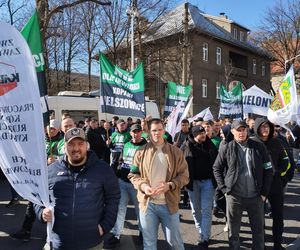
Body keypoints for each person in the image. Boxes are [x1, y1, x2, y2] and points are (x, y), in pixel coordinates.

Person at [34, 128, 120, 249]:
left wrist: (105, 226)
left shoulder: (103, 169)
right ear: (64, 147)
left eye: (80, 144)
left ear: (87, 145)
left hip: (91, 243)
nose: (76, 148)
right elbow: (38, 196)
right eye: (71, 144)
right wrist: (41, 212)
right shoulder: (52, 170)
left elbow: (113, 197)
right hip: (58, 242)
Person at [11, 118, 76, 242]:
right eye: (49, 128)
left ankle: (53, 234)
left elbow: (70, 158)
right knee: (33, 202)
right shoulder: (43, 140)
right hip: (42, 177)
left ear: (58, 129)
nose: (50, 130)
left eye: (53, 128)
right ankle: (26, 230)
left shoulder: (65, 142)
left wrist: (55, 160)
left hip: (59, 179)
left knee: (55, 206)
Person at [128, 118, 189, 250]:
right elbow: (133, 174)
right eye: (154, 130)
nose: (157, 133)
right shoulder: (140, 152)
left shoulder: (176, 152)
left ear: (164, 130)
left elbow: (184, 176)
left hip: (169, 205)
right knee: (149, 244)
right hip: (147, 205)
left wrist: (170, 185)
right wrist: (143, 186)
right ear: (148, 132)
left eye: (160, 130)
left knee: (175, 243)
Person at [213, 120, 273, 250]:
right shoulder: (227, 148)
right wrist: (224, 189)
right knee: (233, 233)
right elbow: (216, 168)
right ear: (233, 132)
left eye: (244, 130)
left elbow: (268, 169)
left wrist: (264, 193)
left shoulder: (258, 146)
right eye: (238, 130)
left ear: (247, 131)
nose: (241, 133)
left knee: (258, 232)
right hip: (234, 197)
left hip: (256, 196)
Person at [104, 124, 147, 249]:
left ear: (141, 132)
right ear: (131, 133)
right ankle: (116, 235)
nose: (136, 134)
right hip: (123, 182)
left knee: (140, 211)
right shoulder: (127, 144)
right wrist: (117, 175)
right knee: (120, 208)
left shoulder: (146, 147)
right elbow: (121, 161)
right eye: (134, 132)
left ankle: (142, 233)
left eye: (138, 132)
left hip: (137, 184)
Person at [253, 118, 289, 250]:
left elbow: (285, 161)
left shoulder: (277, 143)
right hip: (258, 187)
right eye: (262, 127)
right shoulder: (252, 143)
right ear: (257, 128)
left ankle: (277, 244)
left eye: (267, 127)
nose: (265, 129)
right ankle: (260, 244)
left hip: (275, 186)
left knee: (278, 216)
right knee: (259, 218)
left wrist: (278, 173)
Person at [181, 125, 218, 249]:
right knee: (196, 210)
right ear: (195, 134)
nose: (204, 134)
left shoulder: (210, 144)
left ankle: (205, 237)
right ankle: (201, 232)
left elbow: (217, 162)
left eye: (204, 132)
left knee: (206, 210)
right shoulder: (186, 146)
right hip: (193, 183)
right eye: (201, 133)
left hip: (208, 182)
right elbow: (179, 162)